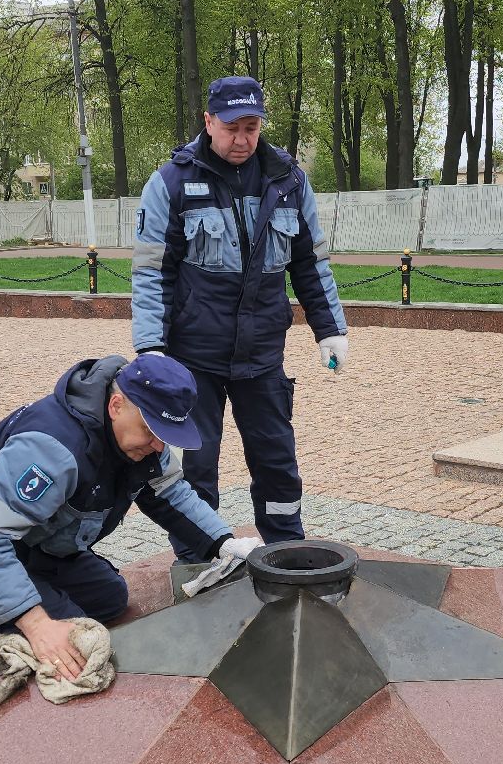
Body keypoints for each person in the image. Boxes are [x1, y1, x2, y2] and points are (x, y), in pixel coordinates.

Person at [0, 353, 260, 707]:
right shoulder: (53, 449)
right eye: (151, 430)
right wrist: (37, 626)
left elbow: (170, 494)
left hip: (32, 540)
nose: (159, 445)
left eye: (166, 432)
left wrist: (225, 545)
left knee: (109, 599)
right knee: (67, 645)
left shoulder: (139, 436)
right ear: (116, 406)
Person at [130, 76, 350, 561]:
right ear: (208, 122)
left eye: (251, 128)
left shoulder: (287, 179)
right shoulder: (171, 182)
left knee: (276, 459)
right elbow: (151, 273)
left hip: (262, 355)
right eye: (231, 128)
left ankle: (286, 548)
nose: (242, 139)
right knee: (196, 465)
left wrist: (330, 329)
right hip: (193, 359)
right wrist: (150, 347)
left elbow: (310, 263)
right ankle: (198, 556)